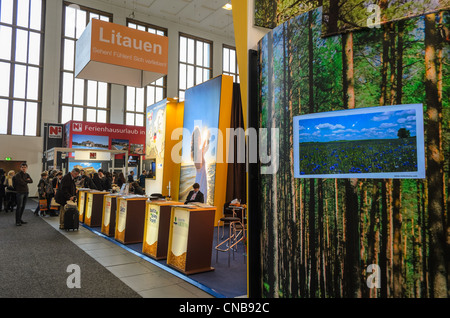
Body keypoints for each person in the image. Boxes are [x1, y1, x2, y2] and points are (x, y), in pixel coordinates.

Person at [191, 126, 209, 205]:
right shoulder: (197, 152)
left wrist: (206, 140)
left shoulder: (198, 151)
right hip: (200, 184)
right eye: (199, 136)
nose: (200, 138)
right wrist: (201, 150)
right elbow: (199, 166)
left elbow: (206, 149)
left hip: (202, 181)